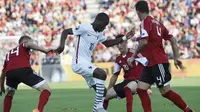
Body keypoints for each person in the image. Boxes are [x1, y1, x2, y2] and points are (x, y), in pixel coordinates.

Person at [54, 13, 134, 112]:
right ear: (99, 22)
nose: (104, 28)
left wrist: (125, 38)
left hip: (87, 64)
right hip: (79, 62)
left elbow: (108, 43)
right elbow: (65, 31)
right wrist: (61, 46)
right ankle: (98, 107)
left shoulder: (99, 33)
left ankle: (96, 109)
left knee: (103, 92)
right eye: (104, 26)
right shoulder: (85, 28)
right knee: (102, 74)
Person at [127, 1, 194, 112]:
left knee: (165, 91)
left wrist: (133, 56)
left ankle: (188, 111)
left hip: (158, 62)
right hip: (150, 63)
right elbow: (172, 39)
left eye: (136, 12)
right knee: (141, 89)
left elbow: (144, 42)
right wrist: (176, 57)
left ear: (138, 11)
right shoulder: (157, 22)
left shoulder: (144, 22)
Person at [0, 36, 52, 112]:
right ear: (26, 41)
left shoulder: (9, 53)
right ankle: (39, 110)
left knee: (9, 94)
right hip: (23, 70)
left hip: (10, 73)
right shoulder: (24, 44)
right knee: (47, 89)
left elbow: (4, 71)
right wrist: (44, 50)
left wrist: (1, 86)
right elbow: (28, 44)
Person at [103, 34, 152, 112]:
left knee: (128, 88)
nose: (119, 46)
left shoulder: (134, 53)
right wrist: (109, 89)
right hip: (126, 82)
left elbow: (148, 65)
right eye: (117, 44)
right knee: (106, 96)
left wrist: (147, 84)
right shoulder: (118, 58)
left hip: (137, 81)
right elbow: (115, 75)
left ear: (126, 42)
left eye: (121, 43)